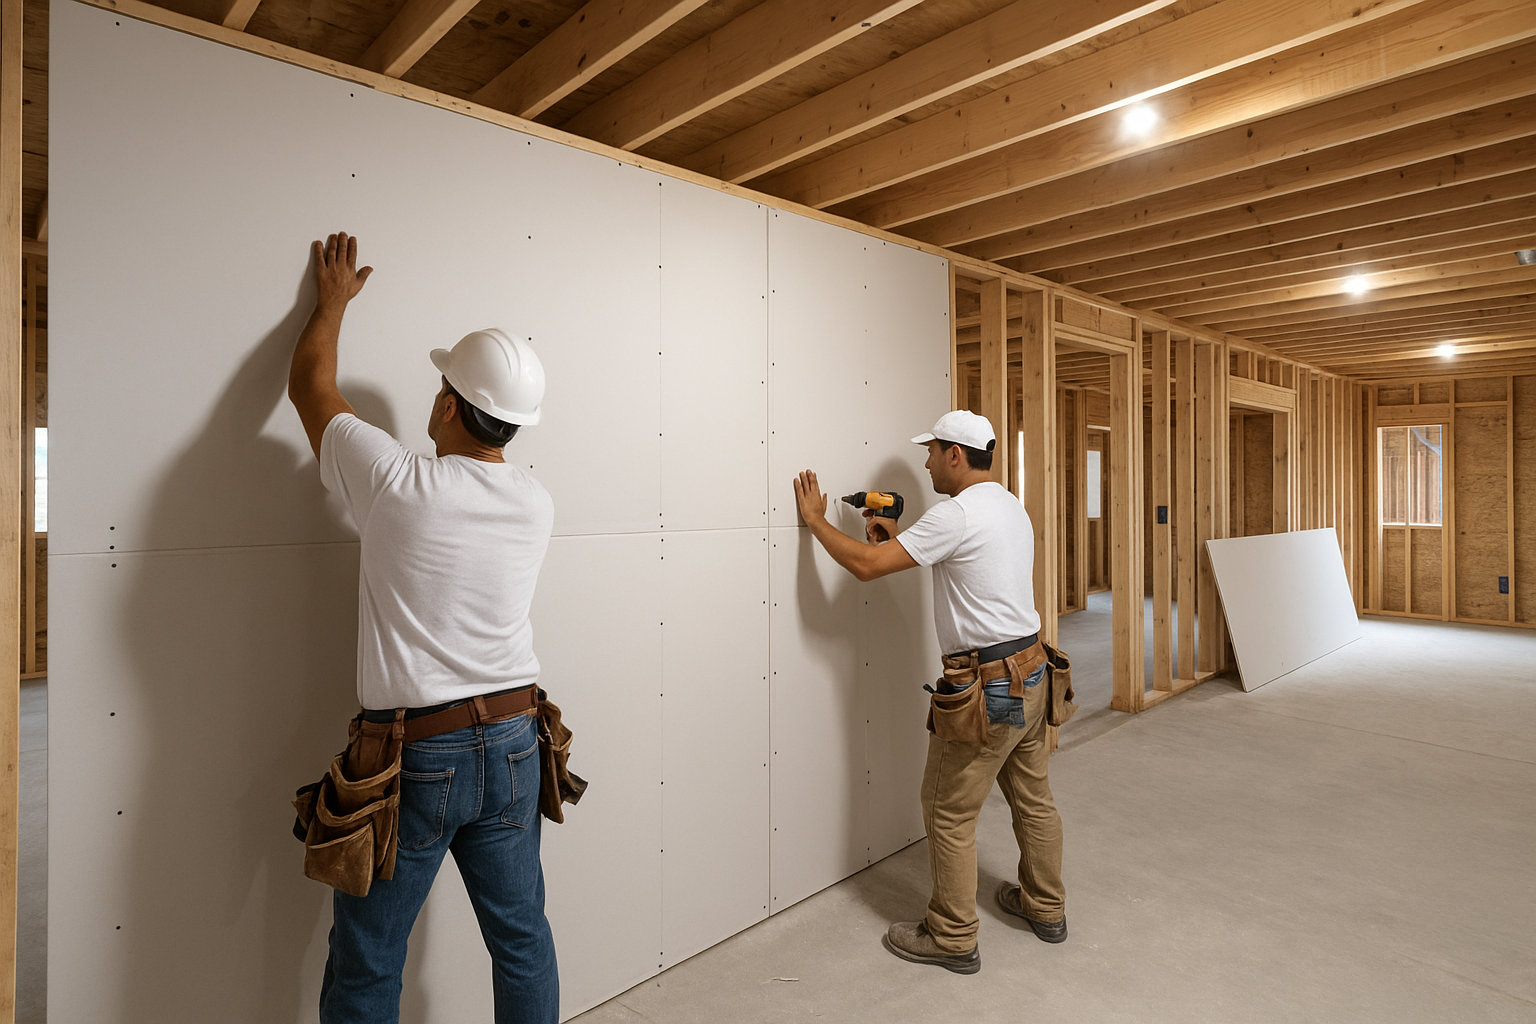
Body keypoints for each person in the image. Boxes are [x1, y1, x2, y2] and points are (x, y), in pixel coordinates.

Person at [288, 232, 560, 1023]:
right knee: (522, 942)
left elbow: (310, 387)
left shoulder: (395, 483)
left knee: (370, 960)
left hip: (417, 755)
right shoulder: (536, 503)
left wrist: (332, 304)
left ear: (447, 404)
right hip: (516, 741)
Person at [790, 409, 1066, 975]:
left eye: (932, 453)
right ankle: (1046, 907)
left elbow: (867, 567)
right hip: (1034, 672)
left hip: (989, 688)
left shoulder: (955, 514)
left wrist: (816, 522)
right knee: (1034, 800)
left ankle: (952, 936)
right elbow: (967, 569)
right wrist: (896, 539)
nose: (927, 464)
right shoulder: (1008, 505)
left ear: (955, 455)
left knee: (947, 811)